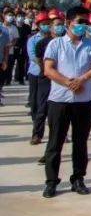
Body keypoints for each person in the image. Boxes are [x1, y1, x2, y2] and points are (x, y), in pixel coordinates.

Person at [41, 7, 91, 198]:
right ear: (69, 23)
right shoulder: (56, 44)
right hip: (60, 99)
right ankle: (51, 181)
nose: (83, 26)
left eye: (86, 22)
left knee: (80, 141)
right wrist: (69, 82)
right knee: (55, 142)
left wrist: (82, 79)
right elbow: (48, 70)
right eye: (80, 21)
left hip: (84, 100)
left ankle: (78, 179)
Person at [26, 12, 50, 145]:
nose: (46, 26)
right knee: (36, 104)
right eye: (43, 24)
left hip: (52, 76)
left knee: (51, 106)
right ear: (38, 25)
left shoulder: (56, 40)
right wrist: (46, 67)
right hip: (36, 74)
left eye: (48, 24)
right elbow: (33, 56)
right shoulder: (33, 39)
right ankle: (37, 131)